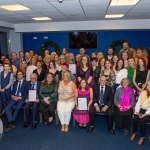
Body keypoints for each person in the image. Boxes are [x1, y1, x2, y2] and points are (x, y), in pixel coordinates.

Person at [130, 81, 150, 146]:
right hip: (141, 109)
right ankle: (134, 133)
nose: (148, 86)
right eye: (148, 85)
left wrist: (145, 114)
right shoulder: (143, 92)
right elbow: (138, 102)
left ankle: (142, 137)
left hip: (149, 111)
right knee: (135, 118)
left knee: (143, 120)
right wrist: (137, 111)